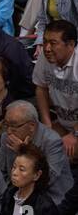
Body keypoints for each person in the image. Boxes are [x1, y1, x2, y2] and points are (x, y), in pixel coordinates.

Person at [0, 101, 74, 204]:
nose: (9, 131)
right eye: (6, 124)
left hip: (50, 199)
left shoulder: (52, 141)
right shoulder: (6, 137)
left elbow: (48, 179)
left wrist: (24, 150)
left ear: (32, 126)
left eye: (14, 126)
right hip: (15, 195)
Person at [36, 19, 78, 160]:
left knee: (65, 155)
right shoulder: (45, 57)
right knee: (38, 146)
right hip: (62, 123)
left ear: (71, 45)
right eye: (45, 41)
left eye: (53, 43)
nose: (47, 48)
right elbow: (41, 88)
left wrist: (74, 134)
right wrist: (47, 125)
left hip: (76, 128)